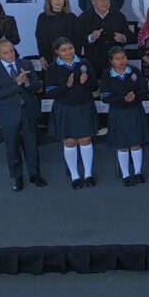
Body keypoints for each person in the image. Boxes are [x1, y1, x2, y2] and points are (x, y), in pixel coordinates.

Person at [0, 39, 46, 192]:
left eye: (11, 51)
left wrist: (26, 83)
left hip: (28, 110)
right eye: (5, 53)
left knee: (31, 144)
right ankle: (17, 177)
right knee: (12, 148)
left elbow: (37, 86)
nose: (10, 55)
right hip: (8, 113)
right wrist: (17, 84)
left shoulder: (25, 64)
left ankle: (34, 174)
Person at [45, 37, 99, 190]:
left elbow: (94, 86)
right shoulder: (53, 68)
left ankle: (88, 174)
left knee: (85, 140)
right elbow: (50, 92)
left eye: (70, 48)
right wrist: (67, 85)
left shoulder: (85, 63)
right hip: (65, 108)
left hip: (84, 106)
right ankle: (75, 175)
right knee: (69, 142)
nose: (68, 52)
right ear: (57, 52)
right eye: (63, 50)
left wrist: (85, 83)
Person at [100, 46, 149, 186]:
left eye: (123, 57)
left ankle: (138, 172)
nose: (121, 61)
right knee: (122, 145)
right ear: (111, 61)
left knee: (136, 143)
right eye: (117, 59)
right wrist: (123, 99)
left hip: (135, 110)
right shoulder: (107, 75)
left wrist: (135, 95)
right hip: (118, 112)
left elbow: (144, 90)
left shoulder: (134, 71)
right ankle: (126, 174)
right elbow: (104, 96)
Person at [77, 0, 133, 77]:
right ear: (93, 2)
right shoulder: (84, 17)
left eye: (107, 0)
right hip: (94, 60)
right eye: (101, 0)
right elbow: (78, 38)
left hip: (116, 61)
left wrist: (123, 38)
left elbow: (130, 36)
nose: (105, 3)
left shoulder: (118, 15)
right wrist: (91, 37)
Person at [35, 0, 78, 67]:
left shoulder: (72, 17)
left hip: (69, 55)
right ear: (49, 1)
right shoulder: (42, 17)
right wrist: (42, 57)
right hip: (49, 56)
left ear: (65, 1)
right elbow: (39, 38)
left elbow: (77, 39)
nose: (58, 1)